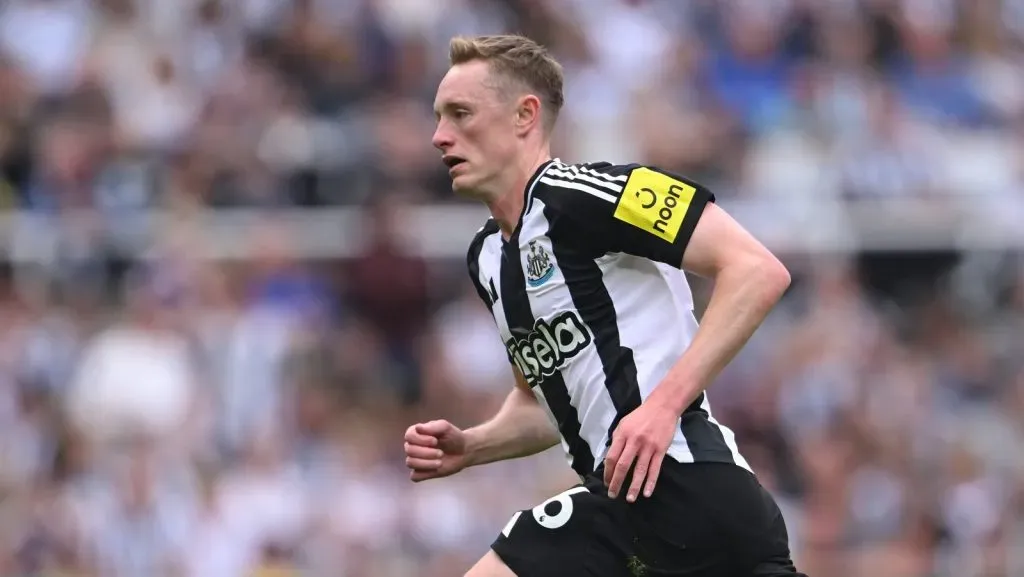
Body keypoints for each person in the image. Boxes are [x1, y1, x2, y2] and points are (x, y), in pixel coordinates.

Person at [404, 34, 803, 577]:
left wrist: (662, 407)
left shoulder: (591, 194)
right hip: (640, 508)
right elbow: (547, 406)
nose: (439, 136)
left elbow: (757, 271)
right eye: (438, 117)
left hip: (685, 486)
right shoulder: (487, 258)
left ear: (525, 115)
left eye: (460, 114)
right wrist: (474, 445)